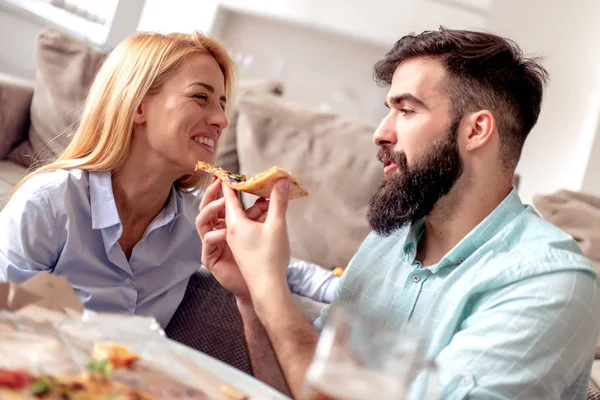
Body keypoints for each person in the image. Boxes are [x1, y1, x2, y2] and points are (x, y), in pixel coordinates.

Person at [196, 27, 600, 399]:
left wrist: (270, 287)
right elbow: (300, 385)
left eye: (406, 110)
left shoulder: (552, 283)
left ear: (476, 131)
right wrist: (251, 294)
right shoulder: (390, 239)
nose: (380, 132)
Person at [0, 31, 252, 329]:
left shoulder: (197, 223)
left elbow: (283, 270)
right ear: (138, 106)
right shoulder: (46, 205)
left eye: (221, 105)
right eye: (200, 97)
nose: (221, 120)